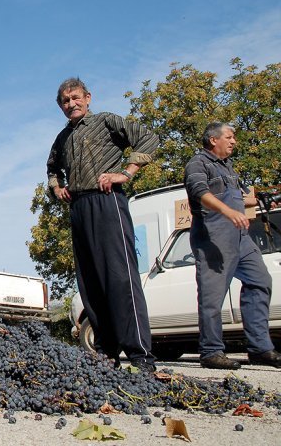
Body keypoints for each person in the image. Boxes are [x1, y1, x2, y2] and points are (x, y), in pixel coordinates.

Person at [47, 77, 159, 371]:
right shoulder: (62, 138)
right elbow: (52, 169)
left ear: (88, 97)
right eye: (65, 101)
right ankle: (106, 353)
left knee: (120, 277)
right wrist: (57, 188)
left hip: (107, 200)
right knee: (91, 280)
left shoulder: (107, 121)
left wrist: (126, 172)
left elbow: (148, 138)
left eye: (75, 98)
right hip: (79, 207)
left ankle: (140, 354)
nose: (72, 104)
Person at [184, 122, 281, 369]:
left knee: (260, 281)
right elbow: (198, 191)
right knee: (212, 296)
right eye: (230, 136)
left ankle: (260, 348)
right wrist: (228, 211)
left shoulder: (227, 167)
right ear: (213, 140)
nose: (234, 140)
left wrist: (260, 200)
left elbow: (242, 197)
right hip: (212, 236)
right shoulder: (198, 163)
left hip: (240, 237)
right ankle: (211, 352)